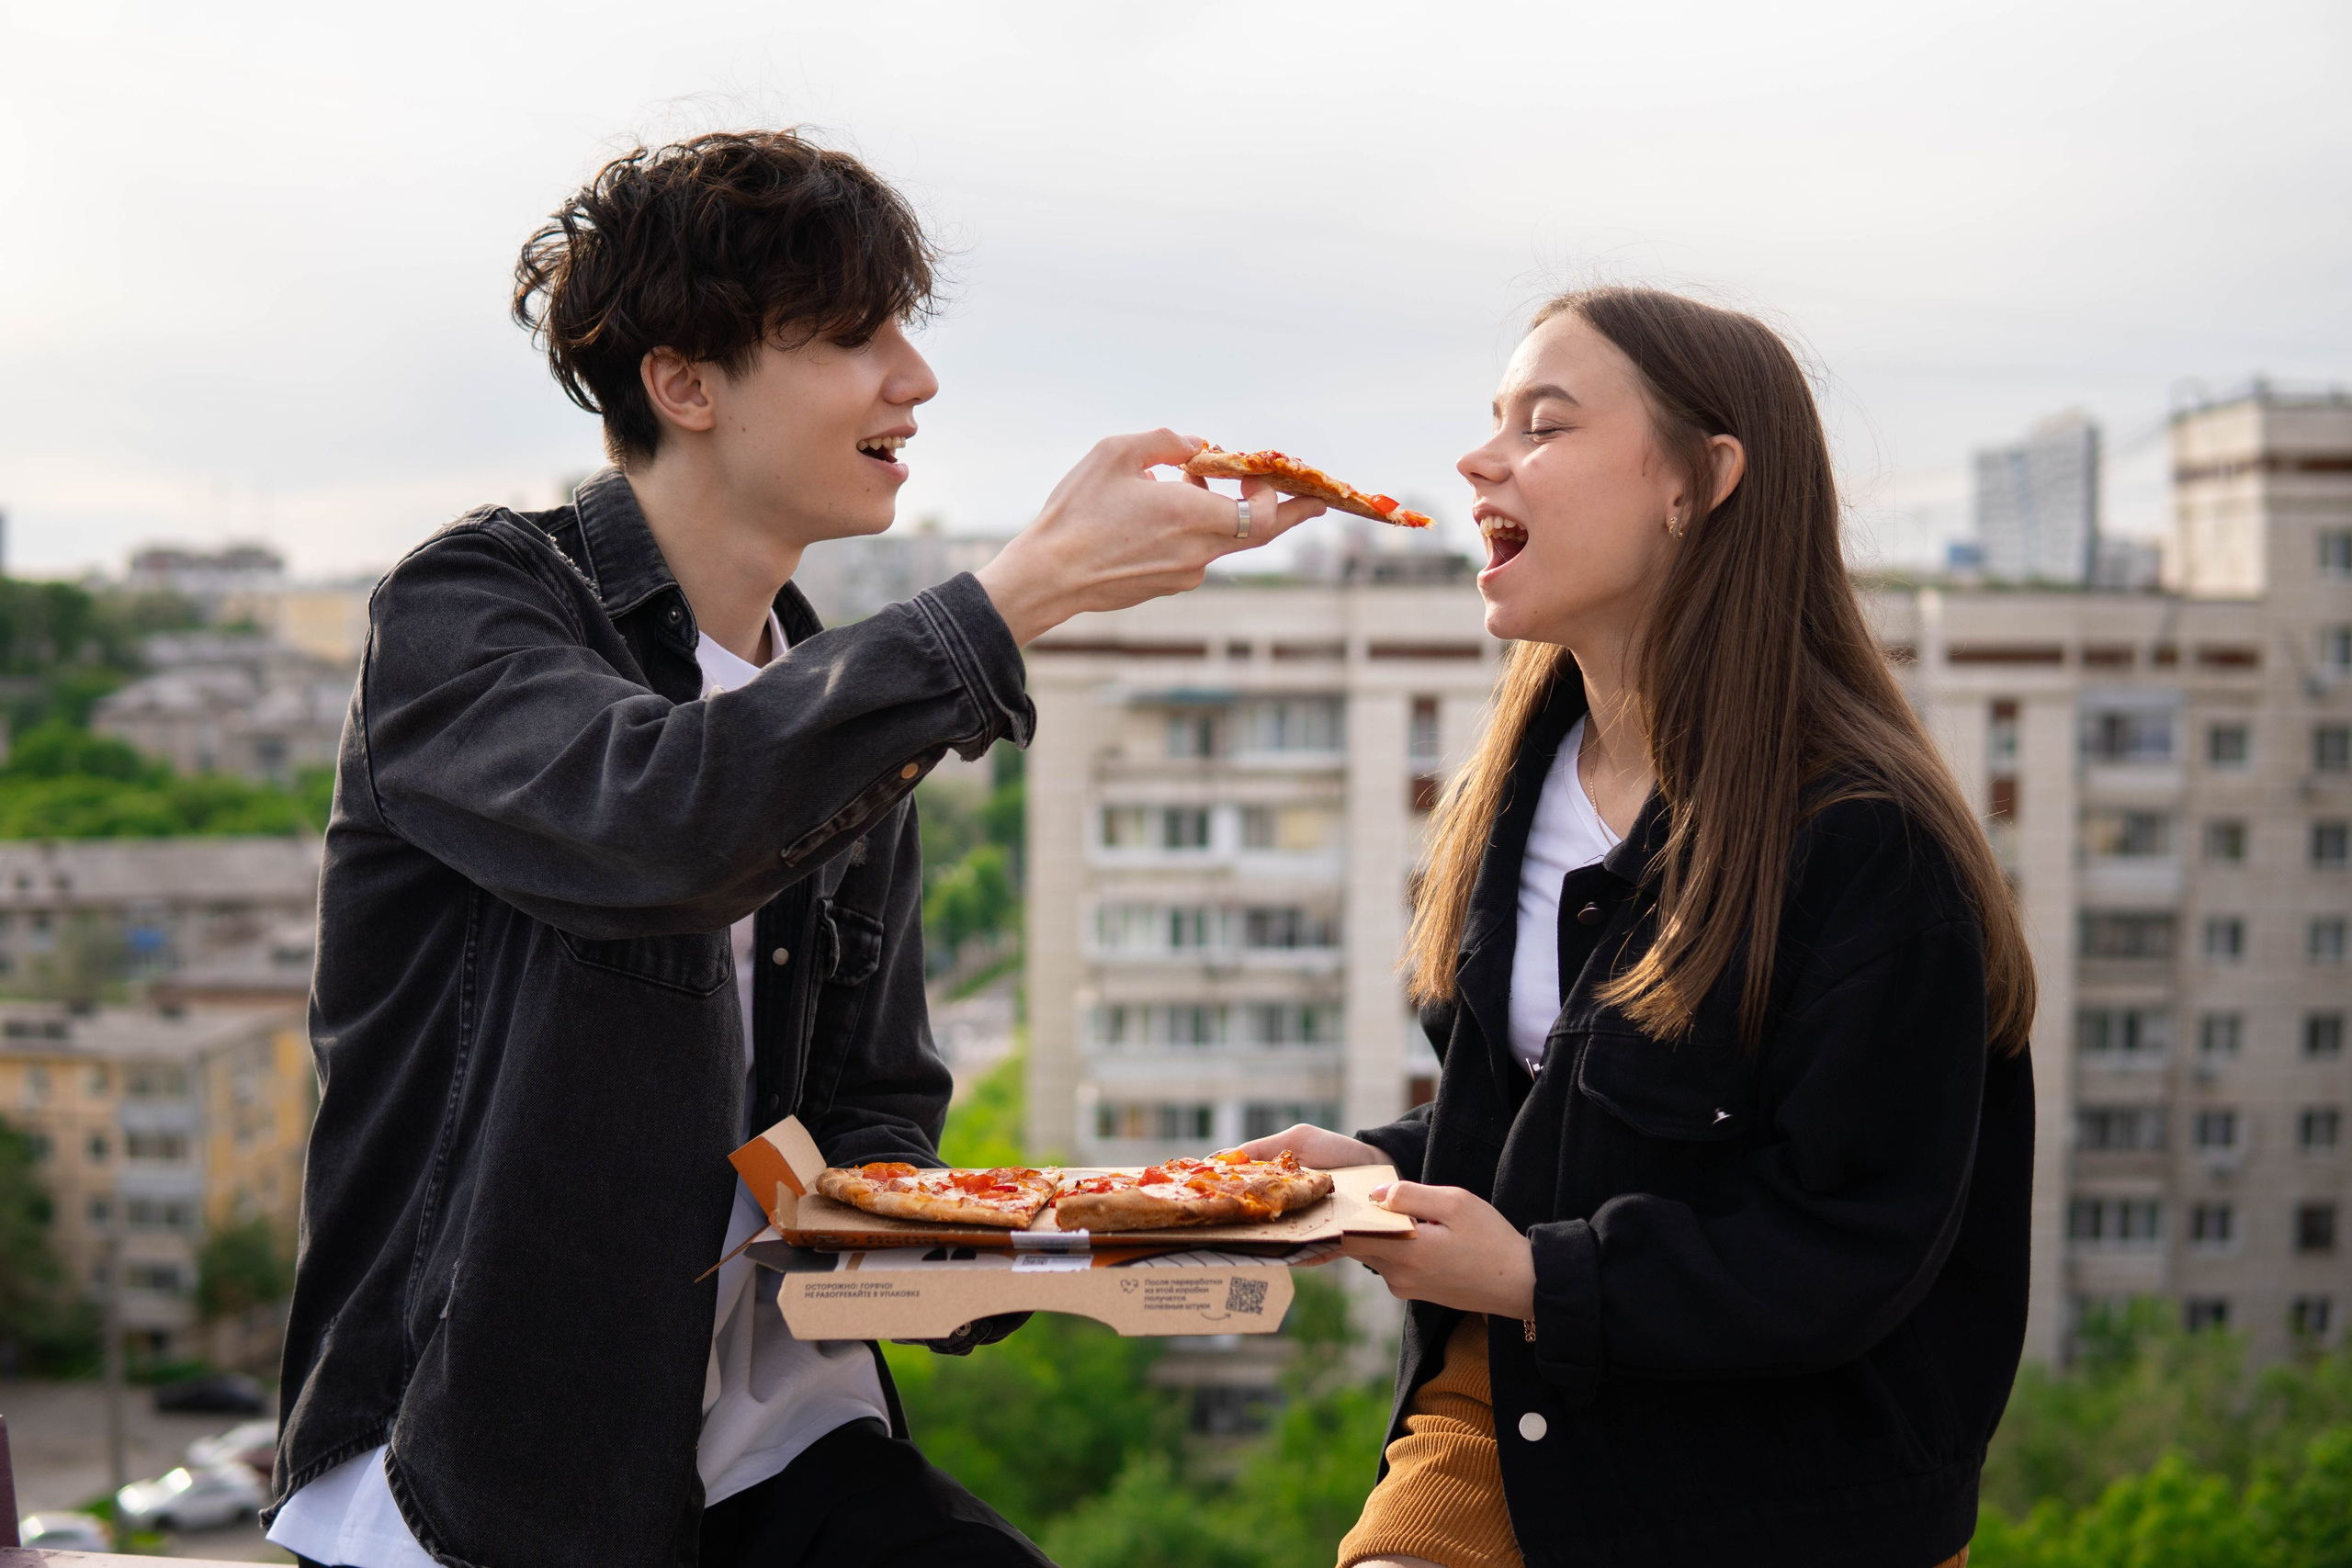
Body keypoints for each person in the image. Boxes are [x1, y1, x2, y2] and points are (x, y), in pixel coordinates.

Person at [263, 130, 1322, 1568]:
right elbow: (659, 831)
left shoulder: (825, 697)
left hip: (778, 1445)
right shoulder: (467, 609)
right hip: (487, 1474)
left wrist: (1067, 1242)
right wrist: (1020, 592)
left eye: (905, 329)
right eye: (848, 335)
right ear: (683, 383)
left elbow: (867, 1113)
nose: (915, 377)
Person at [1241, 287, 2034, 1568]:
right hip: (1512, 1421)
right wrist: (1387, 1169)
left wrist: (1535, 1280)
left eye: (1543, 426)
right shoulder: (1523, 778)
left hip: (1786, 1489)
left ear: (1702, 480)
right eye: (1492, 421)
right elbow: (1575, 1117)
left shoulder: (1867, 842)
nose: (1479, 461)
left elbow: (1849, 1245)